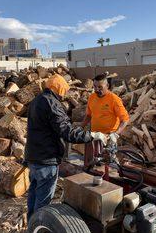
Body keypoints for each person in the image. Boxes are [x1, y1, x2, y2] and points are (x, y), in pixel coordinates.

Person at [25, 74, 105, 220]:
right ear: (60, 89)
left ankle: (31, 223)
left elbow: (35, 130)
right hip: (46, 160)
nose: (65, 95)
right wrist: (92, 136)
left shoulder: (36, 101)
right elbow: (67, 132)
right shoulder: (52, 104)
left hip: (33, 158)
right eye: (64, 91)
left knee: (34, 193)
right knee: (43, 201)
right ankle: (39, 230)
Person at [82, 73, 129, 143]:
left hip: (108, 137)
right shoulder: (92, 97)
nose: (97, 89)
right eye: (94, 86)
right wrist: (81, 127)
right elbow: (88, 115)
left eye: (100, 87)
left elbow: (125, 120)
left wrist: (115, 134)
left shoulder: (114, 99)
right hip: (94, 135)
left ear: (107, 86)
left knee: (107, 154)